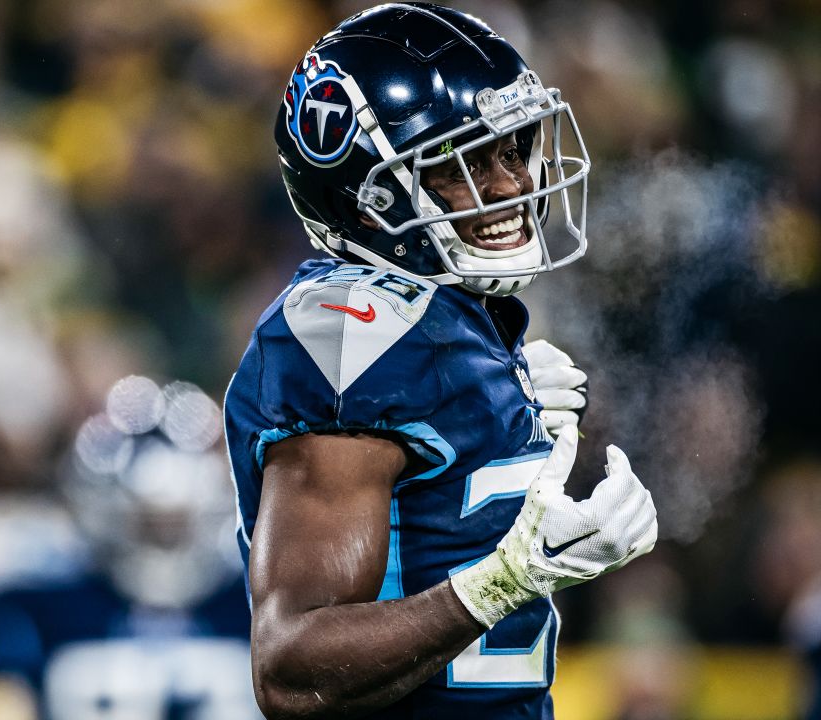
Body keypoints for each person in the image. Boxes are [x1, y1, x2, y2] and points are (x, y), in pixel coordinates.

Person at [223, 4, 658, 718]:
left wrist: (497, 410)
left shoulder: (452, 318)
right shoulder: (352, 334)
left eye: (513, 150)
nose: (512, 185)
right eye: (465, 163)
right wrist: (498, 584)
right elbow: (293, 668)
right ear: (369, 199)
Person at [0, 377, 262, 719]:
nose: (162, 542)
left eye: (173, 525)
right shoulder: (260, 604)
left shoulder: (39, 603)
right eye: (149, 525)